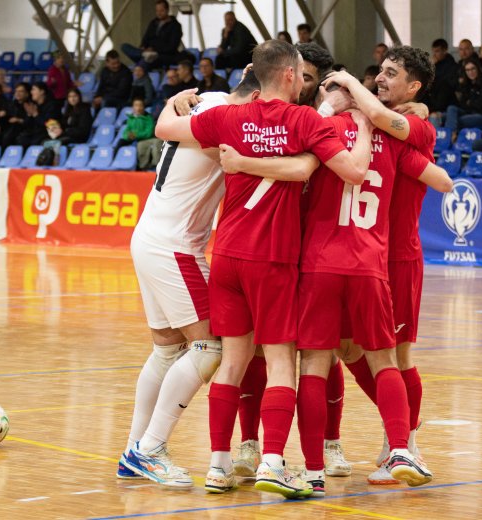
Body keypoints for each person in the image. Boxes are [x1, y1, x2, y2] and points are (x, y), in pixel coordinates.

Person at [153, 39, 374, 499]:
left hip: (227, 255)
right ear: (291, 74)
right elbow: (354, 172)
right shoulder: (304, 121)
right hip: (272, 259)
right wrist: (362, 125)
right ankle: (273, 462)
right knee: (279, 362)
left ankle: (218, 467)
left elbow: (164, 128)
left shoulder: (228, 116)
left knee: (233, 361)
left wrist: (175, 101)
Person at [117, 72, 265, 487]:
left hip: (150, 235)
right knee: (210, 346)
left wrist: (170, 102)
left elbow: (166, 124)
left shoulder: (208, 99)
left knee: (167, 351)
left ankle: (134, 450)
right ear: (256, 94)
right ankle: (149, 450)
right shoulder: (230, 120)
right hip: (175, 247)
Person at [322, 45, 449, 486]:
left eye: (392, 73)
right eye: (381, 70)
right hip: (361, 253)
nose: (380, 77)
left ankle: (406, 444)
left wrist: (348, 84)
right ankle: (397, 428)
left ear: (413, 88)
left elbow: (443, 180)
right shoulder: (369, 122)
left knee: (396, 355)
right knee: (347, 348)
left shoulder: (414, 126)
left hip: (397, 257)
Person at [122, 0, 191, 69]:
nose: (159, 13)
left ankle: (144, 58)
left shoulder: (175, 26)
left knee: (145, 61)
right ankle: (143, 55)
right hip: (147, 52)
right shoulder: (153, 23)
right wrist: (143, 46)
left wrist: (154, 49)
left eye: (161, 11)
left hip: (163, 56)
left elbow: (172, 47)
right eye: (157, 11)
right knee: (124, 46)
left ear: (167, 10)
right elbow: (146, 37)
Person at [444, 57, 482, 133]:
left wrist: (470, 102)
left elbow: (480, 104)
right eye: (467, 70)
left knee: (457, 120)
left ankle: (450, 135)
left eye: (473, 69)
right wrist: (470, 103)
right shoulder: (467, 83)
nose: (470, 72)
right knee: (451, 109)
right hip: (469, 112)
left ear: (478, 69)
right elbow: (462, 103)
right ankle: (451, 134)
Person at [424, 38, 459, 126]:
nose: (434, 55)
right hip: (435, 104)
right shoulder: (435, 66)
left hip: (447, 106)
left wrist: (431, 66)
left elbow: (447, 86)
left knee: (433, 117)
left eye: (437, 51)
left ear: (445, 51)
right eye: (433, 51)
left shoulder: (452, 67)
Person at [17, 81, 61, 147]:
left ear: (42, 92)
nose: (31, 92)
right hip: (35, 133)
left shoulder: (52, 106)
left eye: (34, 89)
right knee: (21, 139)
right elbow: (27, 126)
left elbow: (50, 125)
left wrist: (35, 114)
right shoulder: (34, 105)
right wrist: (29, 115)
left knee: (36, 141)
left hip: (48, 134)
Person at [1, 82, 31, 148]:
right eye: (16, 91)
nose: (17, 93)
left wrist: (19, 120)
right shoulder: (12, 104)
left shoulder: (30, 105)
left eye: (21, 91)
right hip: (12, 130)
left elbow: (31, 122)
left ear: (27, 93)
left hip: (25, 131)